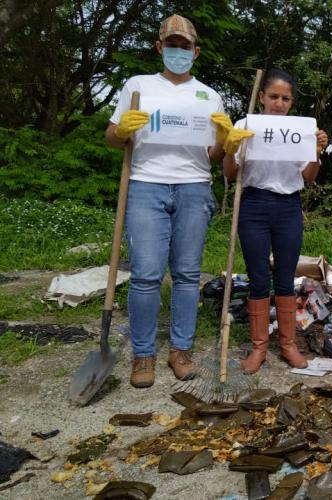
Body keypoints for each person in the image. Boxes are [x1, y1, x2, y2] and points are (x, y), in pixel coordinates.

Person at [106, 14, 232, 388]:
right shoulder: (138, 86)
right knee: (146, 273)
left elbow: (213, 156)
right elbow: (112, 137)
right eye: (172, 45)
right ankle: (143, 354)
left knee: (188, 274)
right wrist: (122, 130)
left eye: (185, 46)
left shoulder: (210, 96)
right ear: (160, 47)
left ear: (196, 51)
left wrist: (225, 142)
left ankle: (180, 350)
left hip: (194, 187)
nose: (179, 51)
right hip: (146, 184)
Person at [221, 69, 328, 373]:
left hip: (288, 206)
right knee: (257, 277)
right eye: (274, 96)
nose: (279, 103)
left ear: (291, 102)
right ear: (262, 97)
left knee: (285, 277)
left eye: (285, 98)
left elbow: (308, 177)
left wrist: (316, 152)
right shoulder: (245, 126)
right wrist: (230, 148)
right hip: (253, 203)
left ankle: (288, 344)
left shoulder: (301, 130)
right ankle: (259, 347)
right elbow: (229, 172)